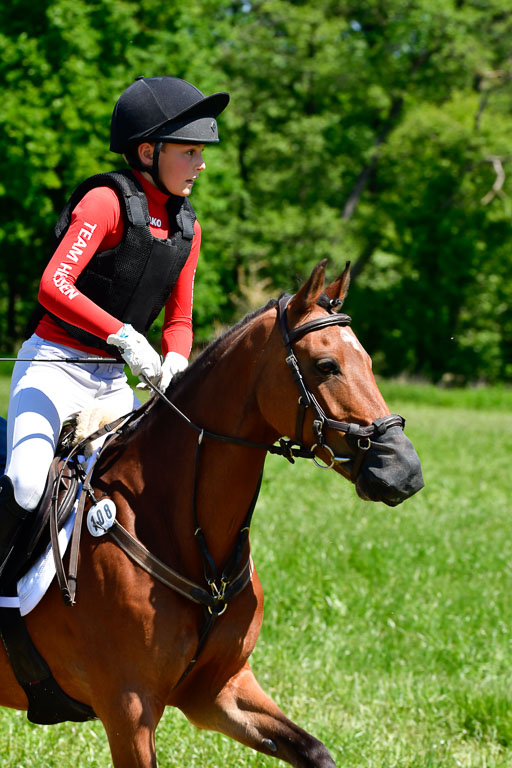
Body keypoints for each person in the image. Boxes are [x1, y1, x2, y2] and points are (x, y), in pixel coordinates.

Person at [0, 75, 229, 577]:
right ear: (148, 151)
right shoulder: (106, 202)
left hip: (110, 387)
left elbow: (181, 319)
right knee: (27, 481)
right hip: (52, 372)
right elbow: (54, 285)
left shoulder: (187, 228)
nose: (201, 163)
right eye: (189, 151)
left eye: (200, 152)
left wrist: (174, 362)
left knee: (131, 498)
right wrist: (124, 336)